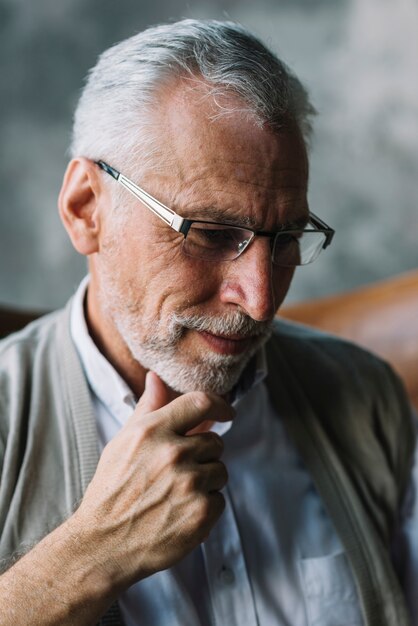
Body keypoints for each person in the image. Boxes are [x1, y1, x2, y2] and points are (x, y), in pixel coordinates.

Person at [0, 19, 416, 626]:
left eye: (287, 238)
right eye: (212, 234)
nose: (259, 298)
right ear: (86, 209)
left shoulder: (367, 401)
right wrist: (89, 556)